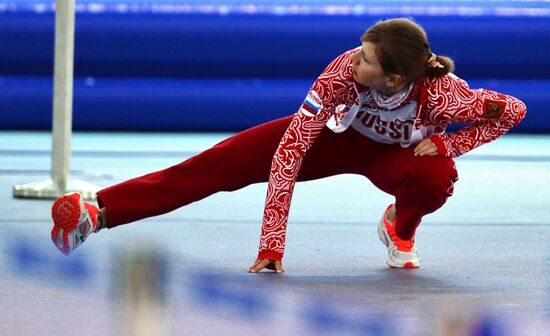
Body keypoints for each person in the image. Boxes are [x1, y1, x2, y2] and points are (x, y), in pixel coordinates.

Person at [50, 18, 526, 272]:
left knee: (435, 179)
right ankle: (101, 213)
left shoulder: (447, 94)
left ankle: (400, 228)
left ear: (394, 77)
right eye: (359, 52)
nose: (353, 62)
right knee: (220, 163)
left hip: (397, 157)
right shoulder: (342, 73)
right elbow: (291, 151)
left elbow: (513, 110)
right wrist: (272, 243)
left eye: (365, 60)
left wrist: (449, 148)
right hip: (337, 140)